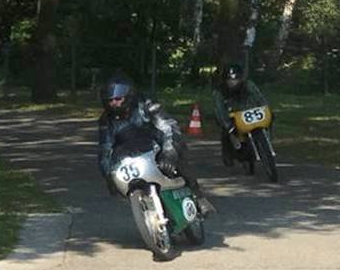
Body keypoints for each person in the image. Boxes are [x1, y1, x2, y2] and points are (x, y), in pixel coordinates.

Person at [97, 74, 216, 215]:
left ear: (128, 96)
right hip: (131, 157)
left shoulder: (146, 105)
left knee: (179, 155)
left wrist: (169, 150)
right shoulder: (106, 121)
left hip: (156, 147)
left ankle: (198, 196)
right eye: (110, 100)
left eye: (118, 99)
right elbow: (105, 148)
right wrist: (108, 175)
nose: (114, 103)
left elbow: (168, 126)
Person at [213, 63, 269, 166]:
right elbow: (219, 109)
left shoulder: (248, 85)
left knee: (267, 123)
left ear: (240, 78)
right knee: (226, 133)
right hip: (231, 116)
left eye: (236, 79)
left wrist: (265, 108)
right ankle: (228, 154)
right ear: (225, 80)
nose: (233, 82)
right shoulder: (220, 91)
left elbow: (259, 97)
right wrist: (227, 124)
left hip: (248, 112)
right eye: (230, 79)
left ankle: (265, 145)